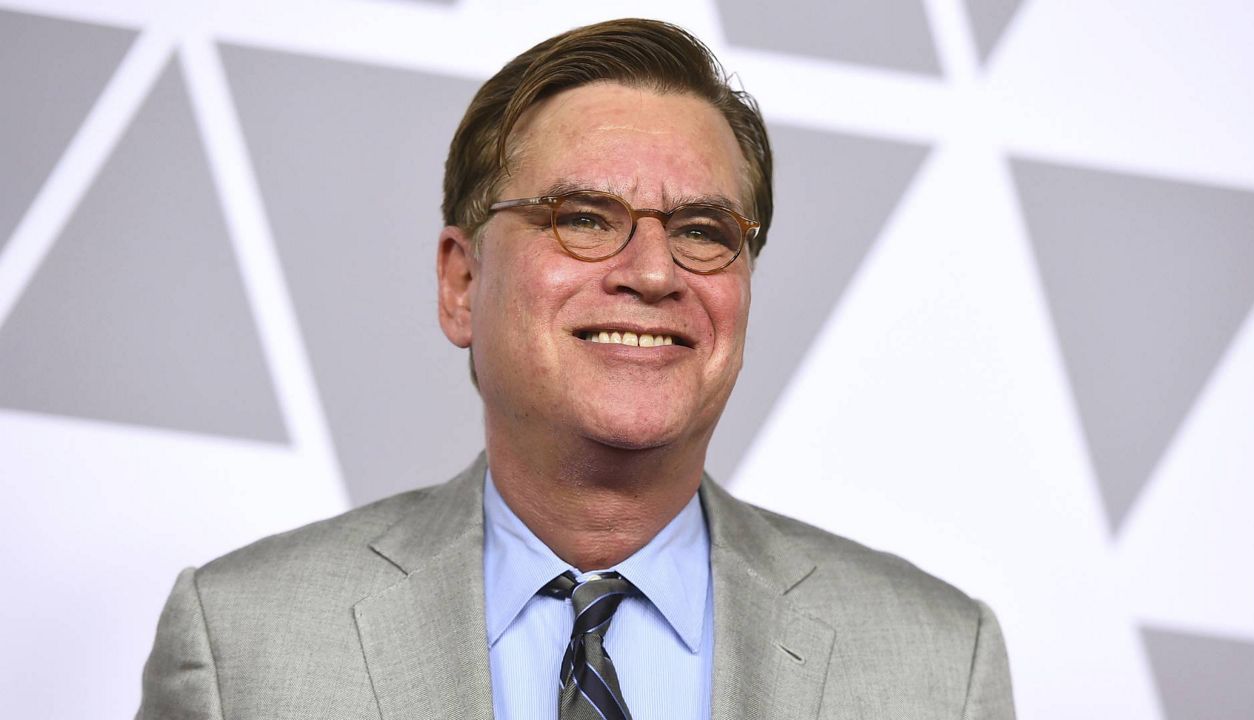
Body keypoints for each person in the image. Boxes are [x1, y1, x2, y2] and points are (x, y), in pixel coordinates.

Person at [137, 18, 1015, 720]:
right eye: (585, 218)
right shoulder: (241, 647)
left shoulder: (940, 668)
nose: (653, 272)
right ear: (460, 281)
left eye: (704, 232)